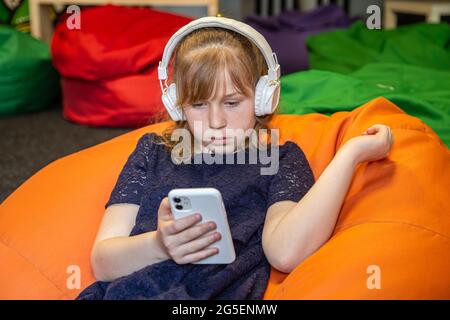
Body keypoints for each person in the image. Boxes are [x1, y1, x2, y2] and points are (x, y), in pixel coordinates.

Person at [77, 17, 393, 300]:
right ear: (176, 104)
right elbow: (103, 262)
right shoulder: (153, 150)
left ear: (262, 97)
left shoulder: (279, 158)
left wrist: (349, 155)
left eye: (231, 102)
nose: (216, 121)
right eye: (199, 104)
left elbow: (285, 253)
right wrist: (159, 245)